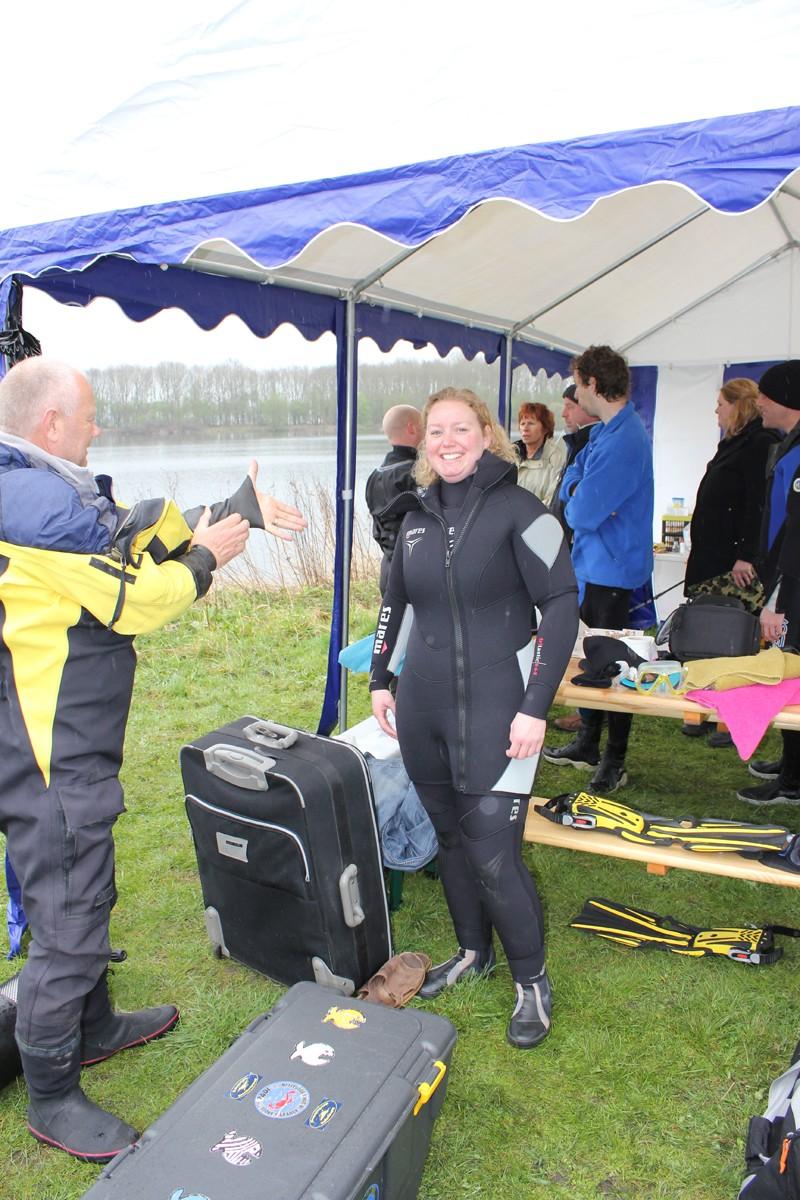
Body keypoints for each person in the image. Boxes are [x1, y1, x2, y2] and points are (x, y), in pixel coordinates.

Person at [0, 357, 306, 1162]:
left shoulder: (41, 485)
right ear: (50, 425)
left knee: (84, 888)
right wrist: (208, 559)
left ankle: (94, 1025)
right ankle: (53, 1095)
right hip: (48, 755)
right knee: (68, 914)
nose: (99, 427)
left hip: (66, 743)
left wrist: (234, 511)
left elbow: (133, 526)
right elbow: (136, 595)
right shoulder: (35, 507)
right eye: (91, 415)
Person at [369, 386, 578, 1049]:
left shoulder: (526, 510)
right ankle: (471, 951)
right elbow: (391, 608)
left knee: (494, 856)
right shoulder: (415, 518)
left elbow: (564, 606)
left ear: (487, 435)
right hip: (424, 707)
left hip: (499, 709)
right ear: (424, 442)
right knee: (449, 840)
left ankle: (531, 980)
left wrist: (535, 706)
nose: (448, 441)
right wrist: (380, 679)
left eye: (461, 428)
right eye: (436, 432)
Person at [543, 345, 654, 793]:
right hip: (595, 565)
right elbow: (572, 480)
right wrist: (575, 486)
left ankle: (615, 760)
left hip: (611, 571)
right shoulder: (607, 432)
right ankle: (589, 743)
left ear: (592, 383)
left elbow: (582, 511)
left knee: (615, 669)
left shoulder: (624, 438)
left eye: (577, 383)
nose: (574, 394)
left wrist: (576, 490)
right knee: (591, 661)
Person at [735, 361, 800, 805]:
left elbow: (792, 530)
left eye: (766, 396)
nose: (759, 403)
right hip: (784, 573)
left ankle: (792, 782)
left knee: (791, 673)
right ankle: (792, 763)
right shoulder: (788, 446)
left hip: (793, 582)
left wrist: (778, 594)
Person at [685, 378, 777, 611]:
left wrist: (747, 555)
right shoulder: (733, 443)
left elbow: (759, 502)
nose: (717, 410)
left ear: (738, 406)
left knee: (726, 627)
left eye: (721, 404)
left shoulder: (759, 443)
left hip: (732, 566)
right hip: (715, 559)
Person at [551, 382, 601, 733]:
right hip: (567, 543)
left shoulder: (595, 440)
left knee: (587, 632)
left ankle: (588, 715)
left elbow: (580, 494)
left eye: (571, 404)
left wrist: (571, 489)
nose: (565, 412)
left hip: (580, 547)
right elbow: (570, 482)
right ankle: (585, 712)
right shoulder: (578, 442)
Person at [365, 404, 423, 593]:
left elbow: (379, 529)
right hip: (417, 574)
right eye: (425, 426)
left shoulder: (374, 477)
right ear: (411, 428)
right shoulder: (417, 473)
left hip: (388, 571)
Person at [513, 401, 566, 507]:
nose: (525, 428)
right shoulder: (510, 455)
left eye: (531, 423)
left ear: (545, 428)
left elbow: (552, 500)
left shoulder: (556, 458)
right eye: (522, 423)